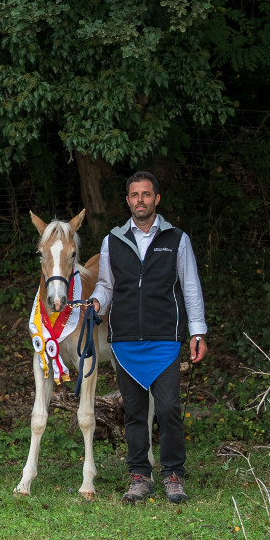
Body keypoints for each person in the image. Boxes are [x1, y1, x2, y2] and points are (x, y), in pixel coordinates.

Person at [89, 171, 208, 504]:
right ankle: (139, 476)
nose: (139, 200)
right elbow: (106, 285)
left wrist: (198, 331)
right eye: (134, 195)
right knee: (134, 413)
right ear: (127, 200)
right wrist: (97, 302)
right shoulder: (113, 241)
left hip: (164, 340)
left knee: (169, 408)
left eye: (146, 194)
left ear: (157, 199)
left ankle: (173, 476)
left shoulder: (176, 239)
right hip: (124, 341)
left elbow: (190, 287)